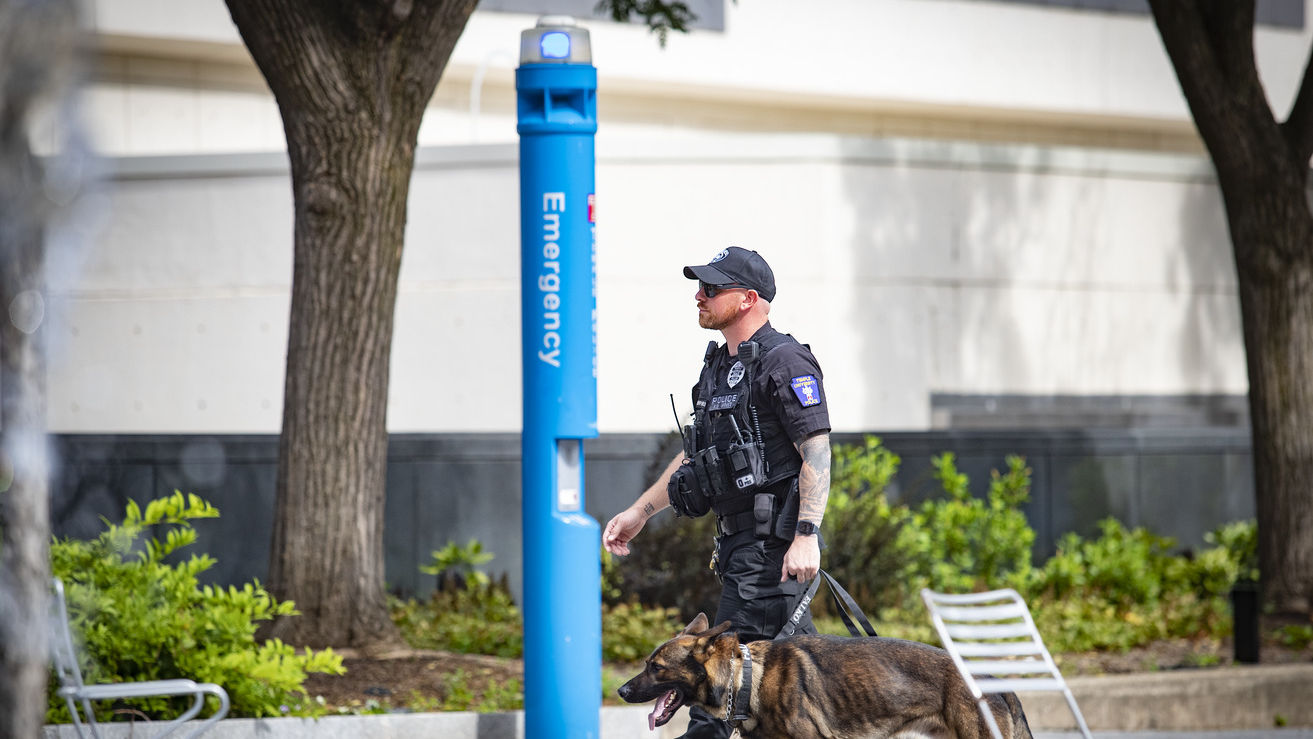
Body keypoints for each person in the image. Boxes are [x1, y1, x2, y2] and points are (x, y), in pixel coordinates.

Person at [603, 246, 831, 739]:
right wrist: (641, 511)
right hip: (736, 548)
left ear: (749, 299)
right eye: (699, 287)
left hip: (770, 553)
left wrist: (807, 534)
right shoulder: (717, 367)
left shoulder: (785, 360)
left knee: (711, 693)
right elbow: (696, 457)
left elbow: (816, 452)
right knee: (792, 700)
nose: (699, 296)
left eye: (711, 289)